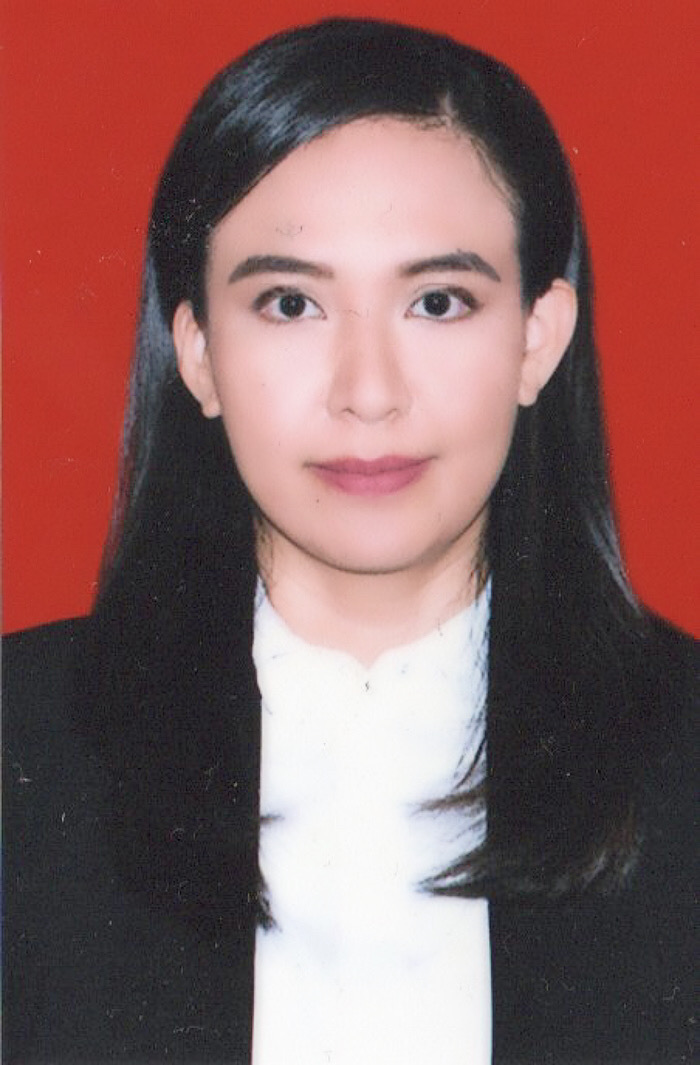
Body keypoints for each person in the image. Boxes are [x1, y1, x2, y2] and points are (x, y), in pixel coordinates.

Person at [3, 17, 696, 1065]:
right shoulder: (24, 749)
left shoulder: (680, 756)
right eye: (290, 303)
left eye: (437, 301)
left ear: (536, 339)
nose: (367, 393)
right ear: (198, 353)